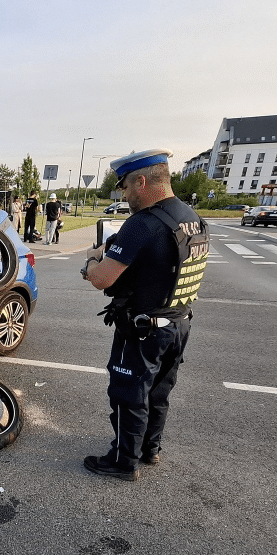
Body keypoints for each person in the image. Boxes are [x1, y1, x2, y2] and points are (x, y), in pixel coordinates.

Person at [81, 149, 209, 481]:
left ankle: (123, 462)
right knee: (158, 393)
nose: (124, 195)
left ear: (141, 181)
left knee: (128, 395)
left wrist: (92, 261)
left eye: (125, 187)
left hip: (143, 330)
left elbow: (102, 279)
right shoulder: (192, 218)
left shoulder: (142, 223)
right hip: (178, 324)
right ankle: (149, 449)